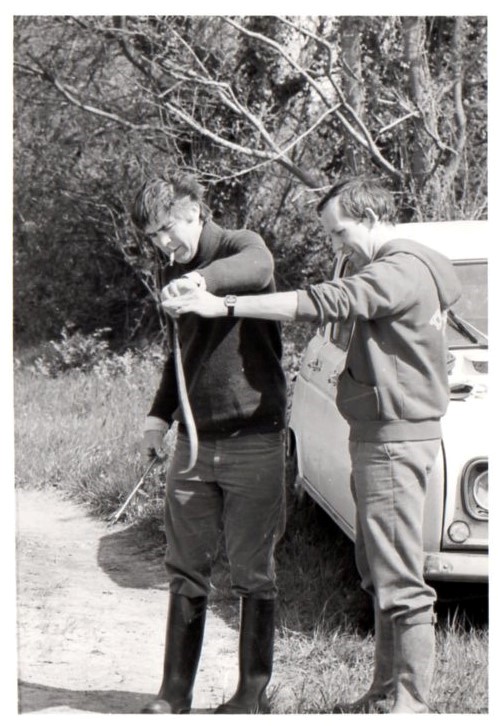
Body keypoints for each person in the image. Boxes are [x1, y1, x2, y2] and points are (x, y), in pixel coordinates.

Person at [163, 176, 462, 714]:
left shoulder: (398, 269)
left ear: (372, 217)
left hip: (393, 442)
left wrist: (224, 306)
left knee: (400, 581)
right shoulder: (402, 267)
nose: (336, 245)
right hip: (378, 437)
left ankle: (412, 705)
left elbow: (326, 302)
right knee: (378, 573)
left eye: (340, 232)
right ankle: (383, 694)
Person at [130, 172, 287, 715]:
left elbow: (259, 268)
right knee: (185, 566)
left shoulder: (239, 245)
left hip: (255, 437)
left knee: (252, 571)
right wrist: (157, 417)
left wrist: (201, 282)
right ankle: (174, 694)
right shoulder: (170, 270)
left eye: (167, 228)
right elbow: (180, 354)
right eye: (153, 236)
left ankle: (251, 695)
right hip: (194, 446)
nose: (164, 243)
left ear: (194, 209)